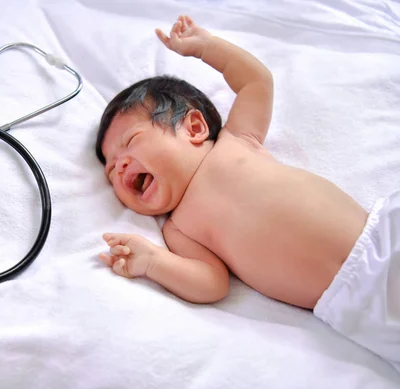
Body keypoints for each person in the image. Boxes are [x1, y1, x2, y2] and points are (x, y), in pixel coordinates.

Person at [96, 15, 399, 370]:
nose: (121, 167)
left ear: (194, 127)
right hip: (358, 303)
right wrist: (153, 261)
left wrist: (206, 47)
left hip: (384, 235)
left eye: (130, 142)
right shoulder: (178, 229)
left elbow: (256, 82)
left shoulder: (237, 140)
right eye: (112, 170)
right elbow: (211, 283)